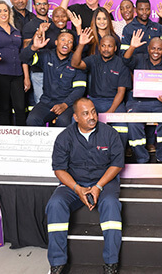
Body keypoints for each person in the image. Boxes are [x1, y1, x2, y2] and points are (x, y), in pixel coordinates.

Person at [46, 97, 123, 274]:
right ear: (75, 117)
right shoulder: (64, 137)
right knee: (55, 204)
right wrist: (77, 189)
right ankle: (57, 263)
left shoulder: (109, 134)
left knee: (111, 205)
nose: (92, 117)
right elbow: (59, 169)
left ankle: (111, 263)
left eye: (94, 111)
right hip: (73, 184)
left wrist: (98, 187)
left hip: (104, 182)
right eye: (86, 113)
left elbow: (117, 164)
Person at [72, 29, 131, 147]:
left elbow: (121, 92)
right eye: (103, 45)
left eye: (110, 46)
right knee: (76, 121)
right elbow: (75, 64)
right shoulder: (93, 59)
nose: (106, 49)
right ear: (99, 47)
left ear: (115, 49)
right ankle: (80, 155)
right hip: (94, 101)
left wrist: (110, 112)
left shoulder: (121, 64)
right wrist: (81, 44)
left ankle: (119, 157)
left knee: (122, 128)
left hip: (114, 102)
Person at [123, 34, 162, 163]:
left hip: (160, 104)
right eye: (153, 48)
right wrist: (132, 47)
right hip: (138, 102)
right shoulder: (139, 59)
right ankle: (142, 157)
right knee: (132, 123)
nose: (155, 52)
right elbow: (125, 61)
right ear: (148, 49)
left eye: (159, 49)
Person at [21, 31, 86, 127]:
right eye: (63, 39)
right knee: (32, 120)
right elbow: (23, 58)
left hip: (68, 104)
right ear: (56, 42)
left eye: (70, 41)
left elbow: (79, 90)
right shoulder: (47, 55)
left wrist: (65, 104)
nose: (66, 43)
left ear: (72, 46)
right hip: (47, 102)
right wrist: (34, 47)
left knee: (63, 121)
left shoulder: (76, 62)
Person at [0, 0, 25, 125]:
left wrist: (26, 76)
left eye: (5, 10)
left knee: (20, 107)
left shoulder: (16, 31)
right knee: (4, 109)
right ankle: (5, 141)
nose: (3, 13)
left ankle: (22, 140)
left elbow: (22, 53)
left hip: (17, 74)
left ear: (9, 12)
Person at [22, 0, 50, 105]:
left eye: (44, 4)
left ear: (48, 6)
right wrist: (26, 77)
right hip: (38, 73)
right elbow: (25, 55)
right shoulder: (29, 26)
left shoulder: (54, 23)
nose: (42, 6)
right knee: (41, 105)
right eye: (39, 4)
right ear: (34, 6)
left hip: (56, 72)